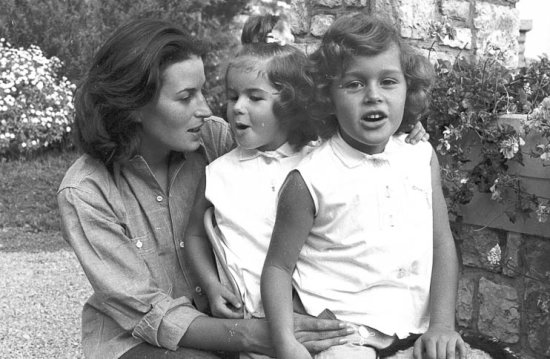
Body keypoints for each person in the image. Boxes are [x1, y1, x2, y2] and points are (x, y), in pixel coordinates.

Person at [57, 18, 354, 359]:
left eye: (203, 91)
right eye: (186, 97)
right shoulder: (85, 193)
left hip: (237, 320)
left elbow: (291, 140)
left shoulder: (215, 139)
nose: (206, 109)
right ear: (134, 105)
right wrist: (256, 334)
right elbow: (146, 311)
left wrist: (394, 135)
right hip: (140, 342)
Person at [185, 14, 430, 359]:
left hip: (317, 311)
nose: (237, 108)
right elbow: (195, 234)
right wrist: (211, 285)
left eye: (254, 97)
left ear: (288, 103)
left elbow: (361, 154)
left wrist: (409, 133)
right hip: (255, 320)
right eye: (232, 96)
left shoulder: (312, 158)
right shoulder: (219, 173)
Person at [261, 13, 467, 359]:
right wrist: (286, 344)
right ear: (328, 96)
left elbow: (441, 241)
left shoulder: (420, 157)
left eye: (388, 82)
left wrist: (442, 326)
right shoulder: (311, 177)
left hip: (415, 328)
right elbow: (278, 268)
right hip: (342, 332)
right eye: (354, 84)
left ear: (408, 89)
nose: (373, 96)